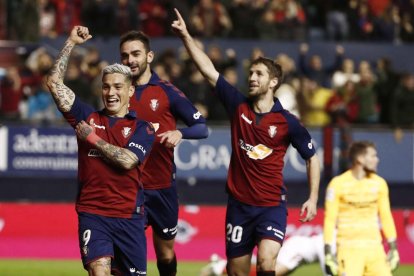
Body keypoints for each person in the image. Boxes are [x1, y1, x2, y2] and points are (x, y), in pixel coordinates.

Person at [172, 9, 321, 276]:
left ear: (273, 82)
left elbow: (312, 157)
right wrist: (185, 35)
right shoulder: (238, 105)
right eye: (251, 73)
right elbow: (208, 70)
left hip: (272, 206)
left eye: (259, 74)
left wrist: (312, 197)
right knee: (237, 271)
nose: (252, 77)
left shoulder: (289, 122)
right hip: (239, 207)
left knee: (266, 263)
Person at [46, 26, 155, 275]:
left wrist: (92, 138)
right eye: (106, 87)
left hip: (129, 217)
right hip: (93, 214)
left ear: (130, 91)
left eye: (118, 87)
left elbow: (128, 161)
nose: (111, 93)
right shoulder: (87, 116)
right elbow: (53, 83)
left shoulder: (143, 128)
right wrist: (71, 42)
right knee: (99, 270)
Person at [119, 29, 209, 275]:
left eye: (136, 53)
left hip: (162, 189)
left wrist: (181, 133)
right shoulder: (116, 93)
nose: (130, 60)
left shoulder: (166, 92)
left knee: (165, 254)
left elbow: (202, 128)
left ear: (149, 56)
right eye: (125, 56)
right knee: (128, 255)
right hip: (129, 188)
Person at [324, 141, 400, 276]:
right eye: (373, 156)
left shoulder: (379, 183)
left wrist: (393, 247)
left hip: (375, 249)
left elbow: (386, 216)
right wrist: (328, 251)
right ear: (360, 159)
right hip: (348, 249)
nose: (377, 160)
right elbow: (330, 219)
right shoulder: (337, 184)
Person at [200, 233, 329, 276]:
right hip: (297, 251)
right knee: (270, 272)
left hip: (300, 254)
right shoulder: (334, 239)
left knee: (266, 267)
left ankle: (220, 265)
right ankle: (220, 267)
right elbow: (325, 256)